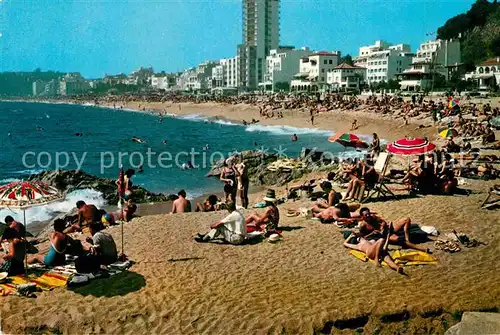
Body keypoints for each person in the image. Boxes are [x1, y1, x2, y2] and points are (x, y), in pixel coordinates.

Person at [358, 208, 431, 253]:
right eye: (366, 215)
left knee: (406, 219)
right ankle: (422, 249)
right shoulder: (363, 225)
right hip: (383, 235)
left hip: (387, 228)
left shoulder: (373, 217)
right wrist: (372, 233)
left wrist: (383, 224)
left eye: (368, 214)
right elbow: (363, 237)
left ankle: (406, 235)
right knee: (400, 240)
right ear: (362, 217)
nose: (368, 216)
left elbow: (383, 221)